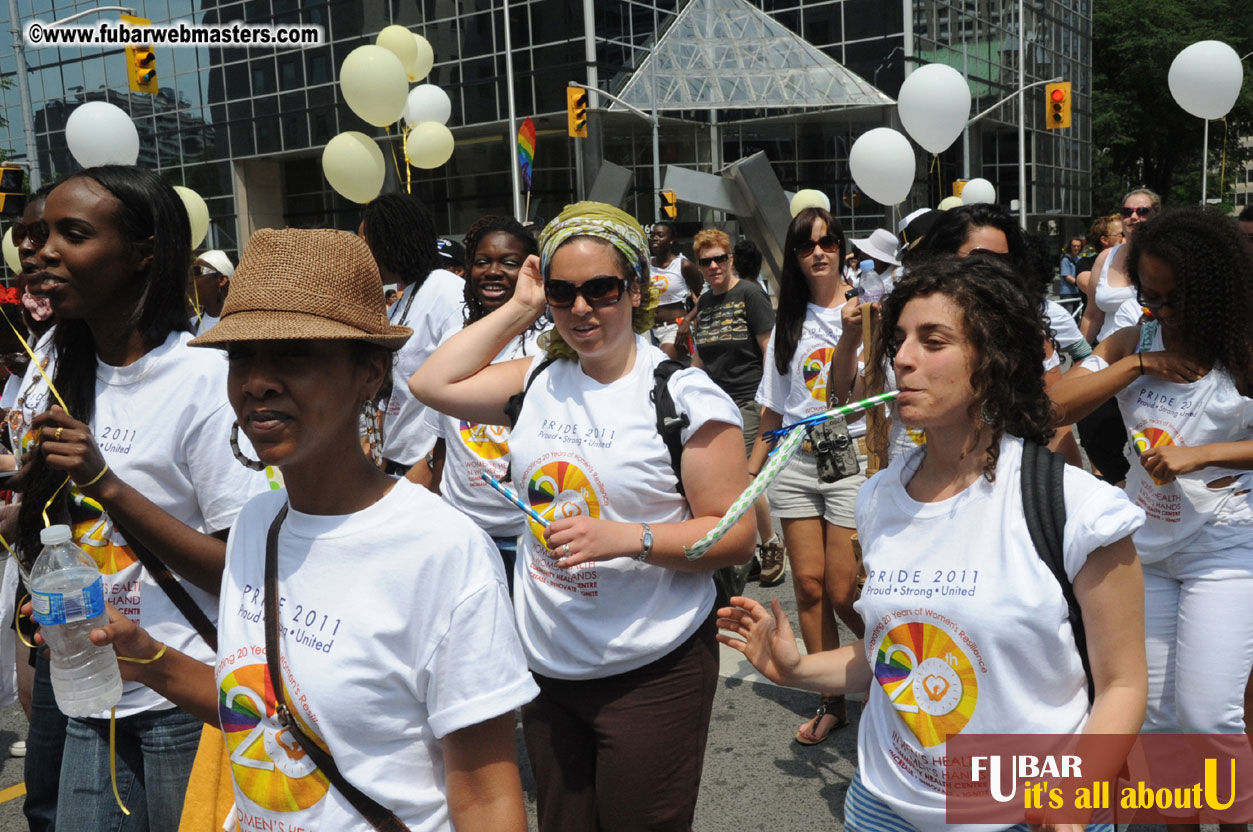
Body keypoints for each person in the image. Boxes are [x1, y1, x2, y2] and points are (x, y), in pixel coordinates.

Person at [68, 226, 537, 832]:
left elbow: (486, 798)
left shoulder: (442, 551)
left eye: (294, 354)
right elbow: (262, 712)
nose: (257, 381)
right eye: (242, 356)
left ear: (370, 374)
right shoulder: (259, 524)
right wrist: (149, 659)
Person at [720, 254, 1147, 832]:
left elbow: (1123, 683)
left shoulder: (1078, 508)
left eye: (933, 340)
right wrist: (797, 668)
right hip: (882, 805)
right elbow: (894, 659)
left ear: (994, 361)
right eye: (898, 340)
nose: (901, 358)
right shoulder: (875, 501)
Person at [412, 201, 755, 832]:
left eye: (600, 289)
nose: (581, 309)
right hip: (546, 664)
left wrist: (627, 538)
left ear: (635, 291)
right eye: (564, 293)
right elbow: (431, 382)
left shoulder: (681, 395)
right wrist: (520, 306)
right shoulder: (541, 375)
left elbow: (735, 533)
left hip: (652, 665)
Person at [16, 165, 267, 830]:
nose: (43, 251)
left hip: (183, 691)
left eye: (72, 234)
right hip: (88, 688)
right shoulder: (53, 366)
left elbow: (241, 570)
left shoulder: (204, 376)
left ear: (144, 255)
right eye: (39, 236)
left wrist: (107, 486)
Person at [1049, 210, 1253, 802]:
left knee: (1208, 714)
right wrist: (1136, 362)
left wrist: (1204, 455)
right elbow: (1056, 408)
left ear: (1211, 292)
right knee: (1156, 722)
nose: (1159, 312)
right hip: (1149, 550)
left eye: (1173, 300)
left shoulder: (1241, 347)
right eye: (1149, 297)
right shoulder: (1134, 337)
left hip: (1227, 547)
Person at [749, 206, 864, 745]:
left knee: (845, 592)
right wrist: (747, 479)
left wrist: (852, 337)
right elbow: (773, 412)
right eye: (805, 246)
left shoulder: (868, 314)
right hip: (794, 461)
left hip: (852, 455)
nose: (817, 252)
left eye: (827, 242)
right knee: (810, 588)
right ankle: (832, 700)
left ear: (842, 249)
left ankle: (901, 662)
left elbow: (856, 398)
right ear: (793, 259)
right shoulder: (786, 326)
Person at [421, 215, 545, 590]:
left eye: (509, 263)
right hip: (464, 534)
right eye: (482, 261)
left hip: (531, 537)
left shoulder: (551, 346)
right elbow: (440, 448)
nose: (493, 272)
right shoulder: (453, 345)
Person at [688, 228, 786, 586]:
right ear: (698, 266)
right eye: (706, 261)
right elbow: (701, 354)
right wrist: (684, 386)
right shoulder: (707, 303)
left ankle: (771, 544)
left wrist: (769, 403)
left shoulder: (749, 294)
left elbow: (769, 350)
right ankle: (745, 550)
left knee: (745, 478)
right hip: (715, 406)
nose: (713, 266)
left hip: (748, 400)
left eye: (719, 258)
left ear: (730, 259)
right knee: (723, 480)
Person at [359, 193, 464, 478]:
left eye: (367, 243)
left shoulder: (448, 292)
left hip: (429, 470)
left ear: (391, 241)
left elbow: (459, 386)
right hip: (395, 464)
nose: (362, 253)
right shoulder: (401, 302)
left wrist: (431, 463)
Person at [648, 220, 703, 359]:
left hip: (675, 328)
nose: (655, 238)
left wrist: (687, 321)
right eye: (653, 235)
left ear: (671, 240)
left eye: (660, 235)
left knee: (662, 365)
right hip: (648, 329)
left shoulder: (683, 265)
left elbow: (704, 298)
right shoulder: (645, 265)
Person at [188, 249, 234, 335]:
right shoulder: (191, 325)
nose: (190, 281)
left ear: (222, 280)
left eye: (197, 272)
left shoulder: (242, 321)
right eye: (190, 274)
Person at [1060, 235, 1083, 301]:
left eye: (1078, 246)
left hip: (1077, 292)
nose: (1076, 248)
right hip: (1067, 293)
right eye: (1074, 246)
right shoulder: (1065, 260)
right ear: (1070, 247)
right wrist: (1079, 284)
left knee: (1077, 311)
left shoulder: (1080, 259)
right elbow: (1067, 277)